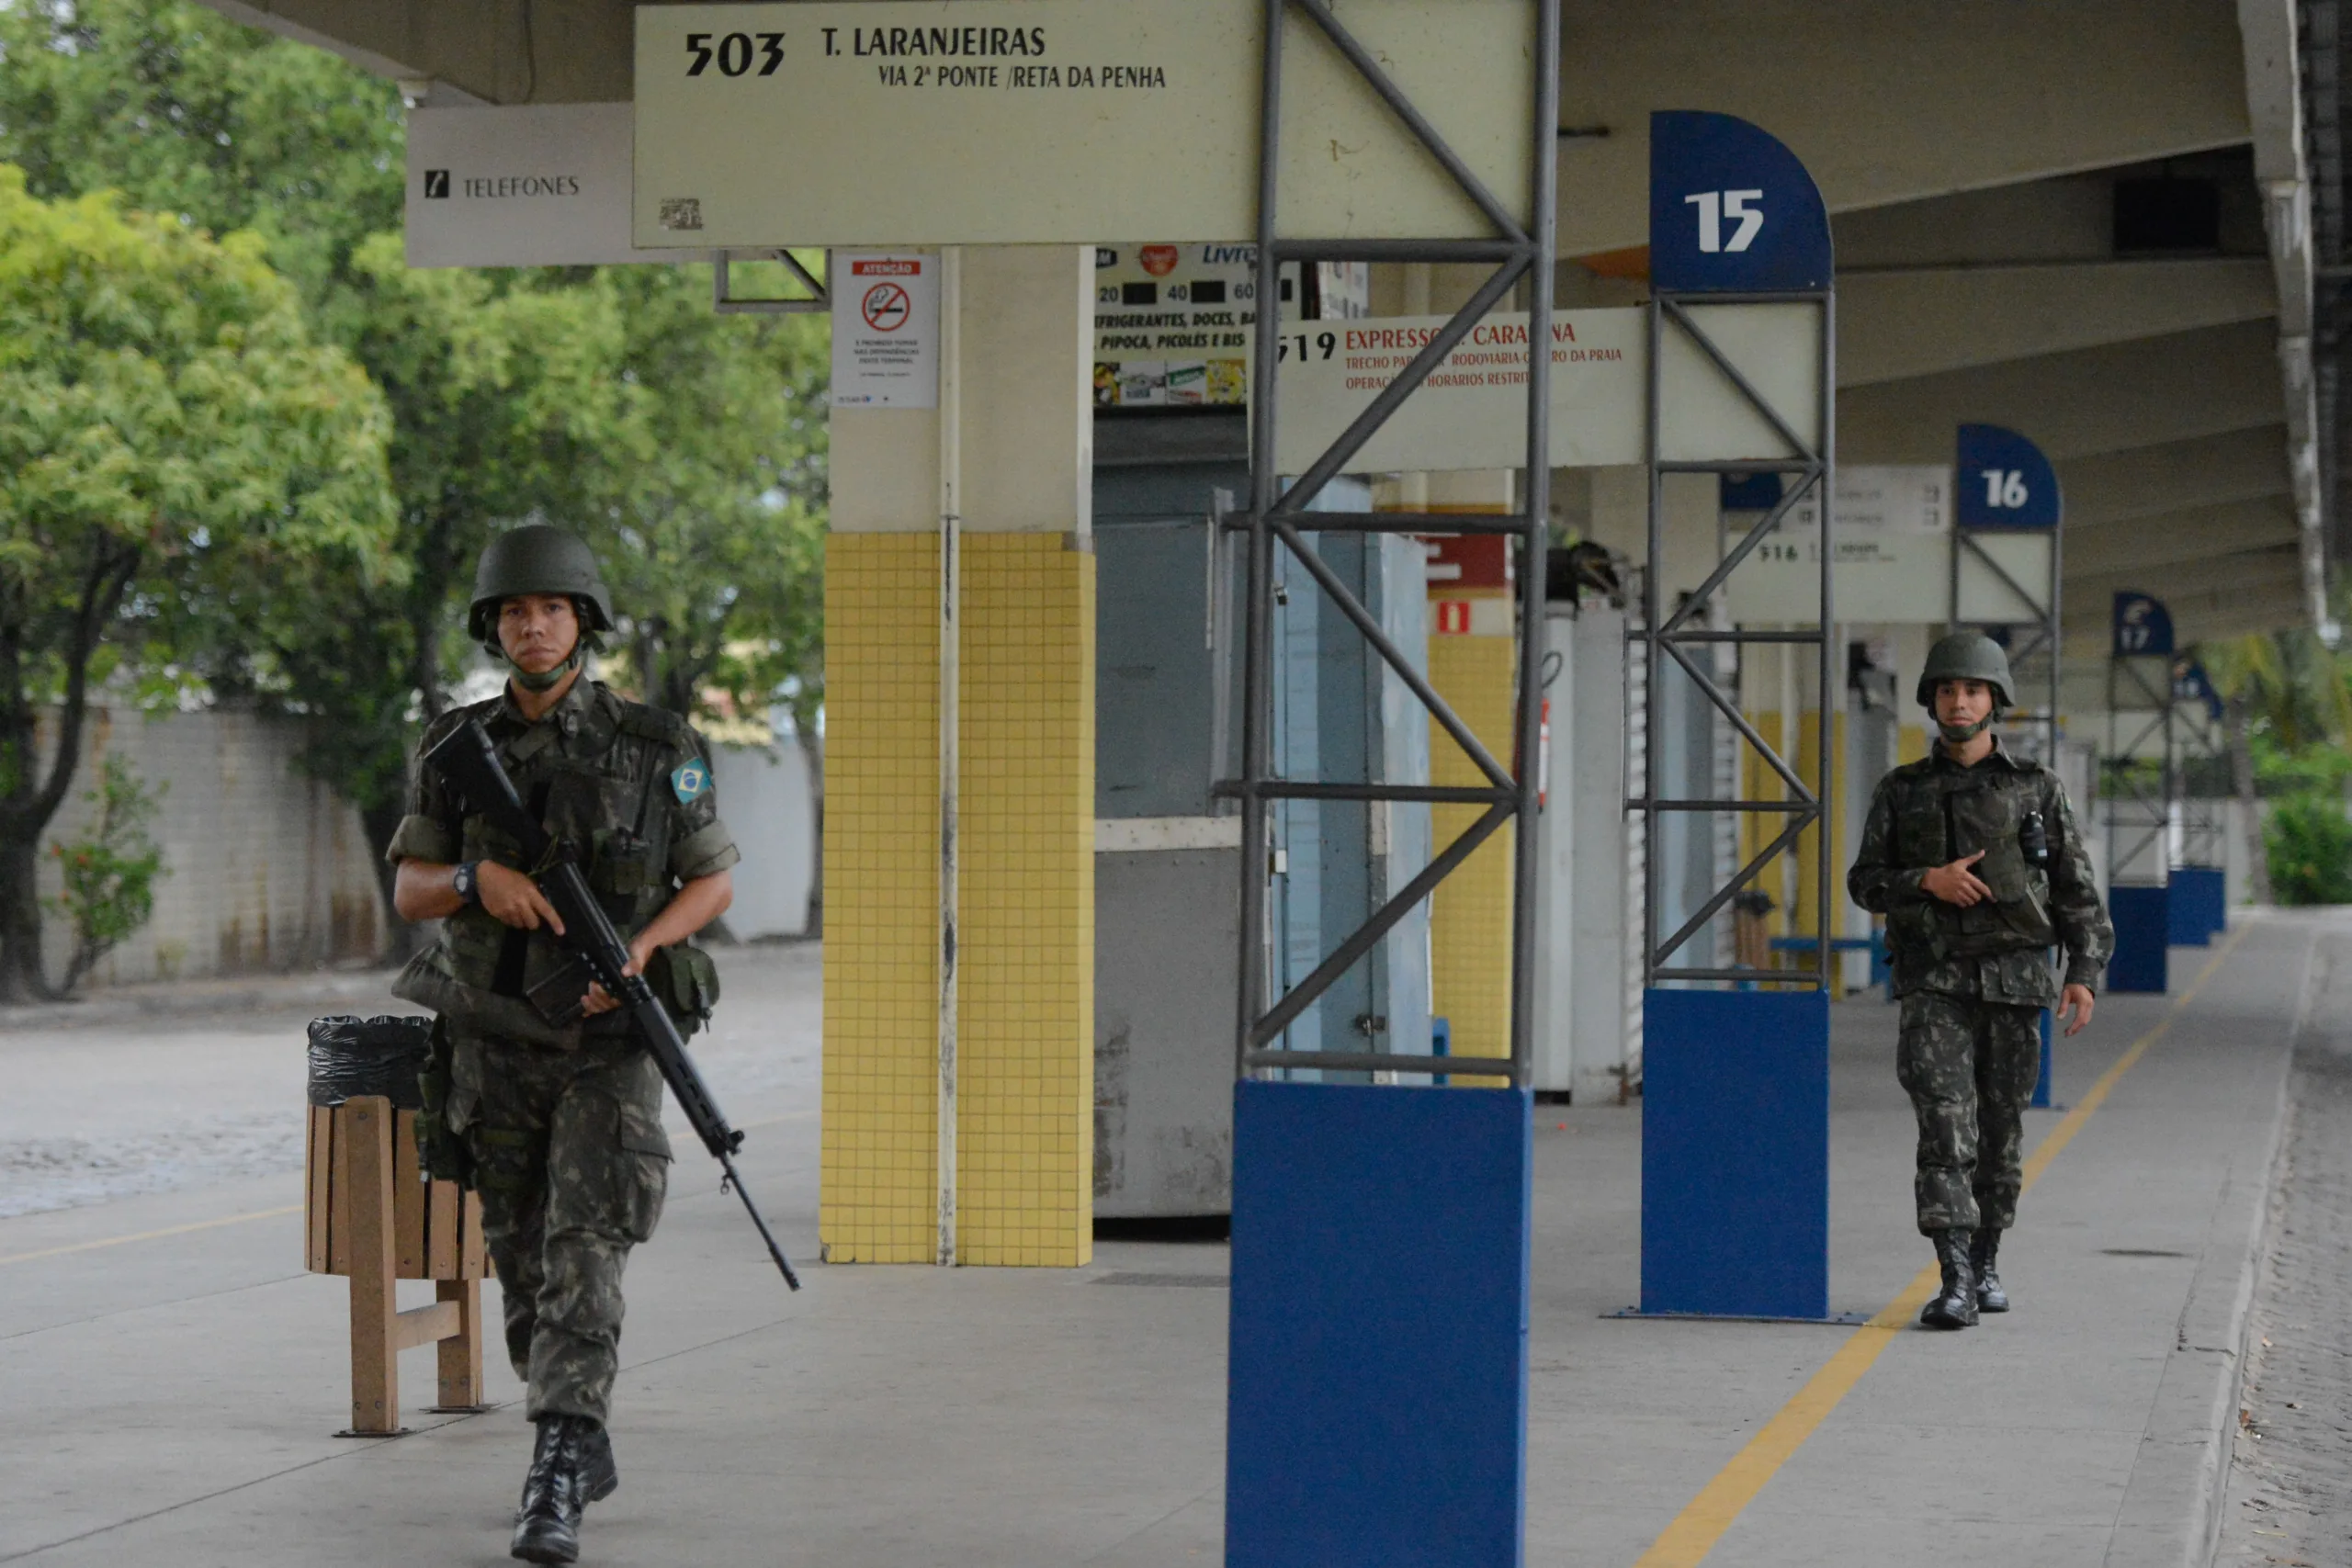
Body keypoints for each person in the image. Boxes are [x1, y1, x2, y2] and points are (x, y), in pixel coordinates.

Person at [386, 525, 738, 1563]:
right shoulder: (456, 746)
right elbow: (408, 888)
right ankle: (578, 1430)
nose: (533, 626)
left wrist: (638, 951)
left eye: (552, 609)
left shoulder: (656, 743)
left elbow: (712, 879)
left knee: (586, 1247)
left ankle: (556, 1466)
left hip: (606, 1045)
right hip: (494, 1041)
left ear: (584, 622)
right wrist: (474, 882)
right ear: (493, 628)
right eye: (514, 611)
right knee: (522, 1257)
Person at [1848, 631, 2112, 1331]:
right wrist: (1925, 880)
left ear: (1995, 700)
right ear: (1931, 700)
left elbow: (2076, 889)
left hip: (2016, 982)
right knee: (1944, 1126)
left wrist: (2083, 971)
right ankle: (1955, 1277)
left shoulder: (2035, 788)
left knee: (2000, 1133)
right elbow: (1865, 881)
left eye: (1971, 690)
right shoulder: (1900, 791)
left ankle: (1988, 1257)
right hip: (1934, 982)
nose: (1958, 701)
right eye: (1946, 689)